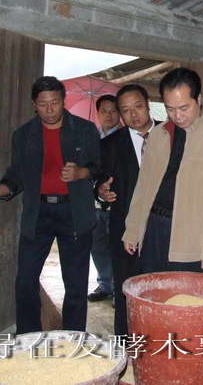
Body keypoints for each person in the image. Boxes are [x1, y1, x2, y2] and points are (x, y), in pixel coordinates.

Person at [0, 76, 100, 334]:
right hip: (38, 213)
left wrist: (81, 173)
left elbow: (100, 166)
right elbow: (16, 176)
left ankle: (73, 339)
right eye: (43, 104)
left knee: (75, 284)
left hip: (74, 212)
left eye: (55, 102)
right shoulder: (23, 135)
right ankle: (27, 338)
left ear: (63, 101)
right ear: (34, 105)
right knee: (25, 281)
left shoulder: (85, 130)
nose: (50, 109)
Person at [122, 67, 203, 275]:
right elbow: (143, 187)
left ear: (199, 99)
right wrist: (132, 229)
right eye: (170, 109)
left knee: (186, 293)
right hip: (154, 230)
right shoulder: (158, 135)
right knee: (152, 290)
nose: (177, 116)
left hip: (192, 240)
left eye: (184, 108)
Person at [94, 84, 158, 335]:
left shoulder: (171, 135)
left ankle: (157, 345)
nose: (134, 114)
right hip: (124, 229)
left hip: (164, 229)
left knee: (159, 291)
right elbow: (100, 181)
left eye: (138, 107)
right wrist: (101, 191)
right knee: (125, 291)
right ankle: (124, 345)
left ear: (148, 105)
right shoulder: (110, 144)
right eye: (126, 110)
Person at [88, 93, 121, 302]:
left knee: (118, 249)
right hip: (94, 205)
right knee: (97, 247)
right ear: (98, 114)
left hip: (117, 204)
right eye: (104, 111)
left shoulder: (125, 139)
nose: (109, 115)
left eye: (113, 110)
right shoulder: (91, 139)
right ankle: (105, 285)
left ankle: (119, 290)